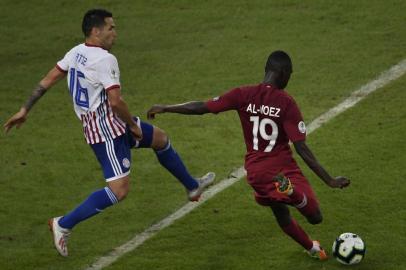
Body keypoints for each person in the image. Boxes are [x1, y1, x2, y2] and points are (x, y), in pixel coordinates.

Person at [3, 9, 215, 257]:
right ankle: (63, 224)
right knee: (119, 190)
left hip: (111, 122)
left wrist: (24, 108)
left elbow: (47, 80)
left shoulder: (76, 52)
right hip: (105, 131)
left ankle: (192, 187)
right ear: (96, 31)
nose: (115, 33)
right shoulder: (104, 60)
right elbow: (115, 101)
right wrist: (133, 126)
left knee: (161, 139)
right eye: (111, 28)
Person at [147, 50, 350, 260]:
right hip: (282, 169)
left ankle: (312, 248)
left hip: (255, 173)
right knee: (315, 217)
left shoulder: (243, 94)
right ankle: (292, 192)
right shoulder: (286, 103)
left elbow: (202, 107)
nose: (290, 78)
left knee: (280, 211)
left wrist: (166, 107)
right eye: (290, 74)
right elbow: (302, 148)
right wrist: (330, 180)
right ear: (282, 72)